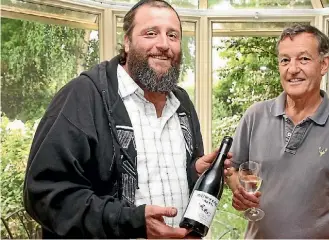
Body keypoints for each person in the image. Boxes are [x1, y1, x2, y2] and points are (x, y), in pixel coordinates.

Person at [23, 0, 231, 238]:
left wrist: (194, 171)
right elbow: (44, 192)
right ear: (127, 42)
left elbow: (167, 178)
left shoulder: (182, 103)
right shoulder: (84, 95)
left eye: (173, 35)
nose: (164, 44)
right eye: (151, 33)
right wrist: (131, 221)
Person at [227, 24, 329, 239]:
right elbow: (232, 169)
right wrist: (239, 192)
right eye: (285, 60)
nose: (292, 69)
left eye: (304, 59)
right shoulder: (255, 116)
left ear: (324, 64)